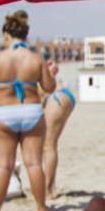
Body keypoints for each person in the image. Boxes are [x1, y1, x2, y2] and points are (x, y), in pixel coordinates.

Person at [0, 11, 56, 211]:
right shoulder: (36, 58)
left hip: (5, 111)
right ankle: (41, 208)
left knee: (4, 164)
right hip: (31, 110)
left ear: (7, 35)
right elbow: (49, 87)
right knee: (34, 162)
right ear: (26, 35)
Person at [41, 58, 77, 197]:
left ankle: (48, 189)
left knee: (48, 146)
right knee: (51, 145)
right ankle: (51, 187)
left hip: (56, 97)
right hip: (62, 95)